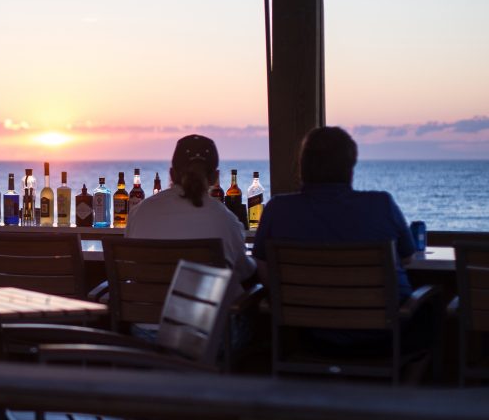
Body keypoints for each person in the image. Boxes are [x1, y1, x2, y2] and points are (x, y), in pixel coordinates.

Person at [251, 126, 417, 351]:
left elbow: (263, 267)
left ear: (303, 166)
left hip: (307, 333)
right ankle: (409, 379)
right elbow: (408, 258)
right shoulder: (381, 205)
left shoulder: (277, 210)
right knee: (432, 307)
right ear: (350, 166)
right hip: (383, 334)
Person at [125, 134, 256, 292]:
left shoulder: (139, 212)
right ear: (215, 178)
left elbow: (130, 264)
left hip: (143, 314)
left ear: (172, 174)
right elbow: (244, 271)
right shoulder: (225, 219)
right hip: (202, 315)